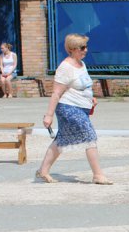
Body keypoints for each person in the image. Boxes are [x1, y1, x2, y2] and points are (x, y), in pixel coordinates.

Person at [36, 33, 112, 186]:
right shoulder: (65, 67)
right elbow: (56, 93)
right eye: (82, 47)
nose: (86, 50)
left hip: (82, 107)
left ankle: (43, 171)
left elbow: (83, 85)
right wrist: (48, 115)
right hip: (68, 108)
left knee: (62, 140)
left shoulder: (81, 64)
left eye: (86, 47)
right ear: (72, 49)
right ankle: (98, 175)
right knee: (89, 135)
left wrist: (91, 98)